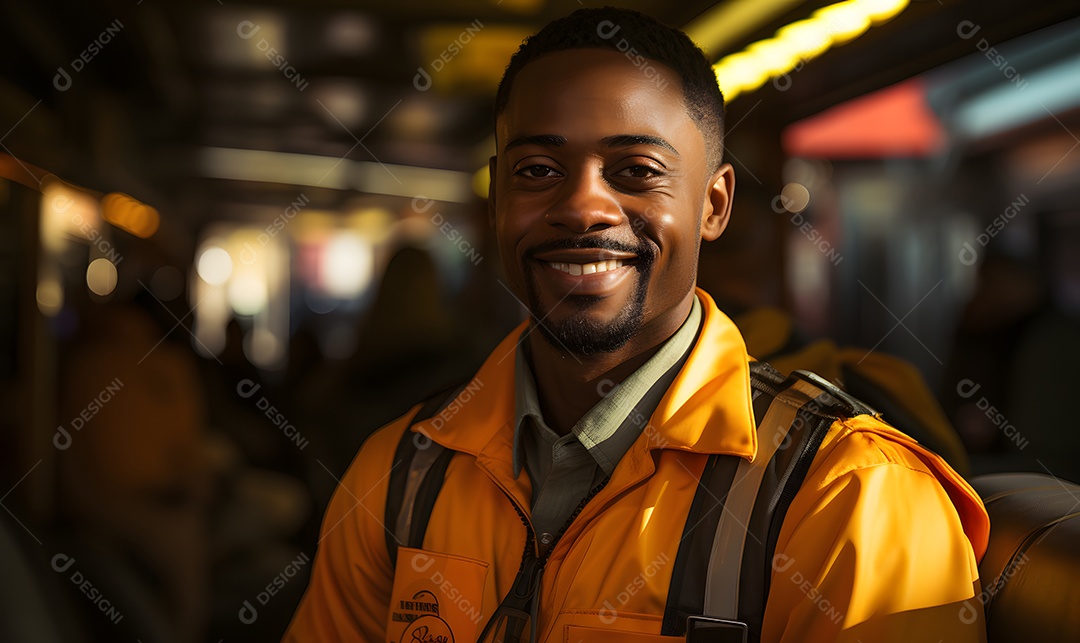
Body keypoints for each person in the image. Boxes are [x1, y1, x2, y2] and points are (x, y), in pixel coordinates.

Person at [284, 7, 989, 642]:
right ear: (496, 202)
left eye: (635, 169)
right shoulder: (398, 475)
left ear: (714, 205)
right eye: (537, 168)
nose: (585, 206)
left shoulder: (851, 495)